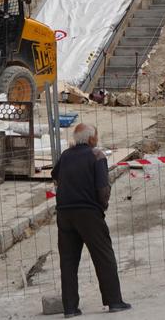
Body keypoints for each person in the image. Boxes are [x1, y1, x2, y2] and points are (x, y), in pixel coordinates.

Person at [52, 121, 129, 315]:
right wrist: (101, 208)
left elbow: (55, 175)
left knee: (68, 261)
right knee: (103, 256)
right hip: (88, 213)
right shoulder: (97, 156)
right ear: (92, 138)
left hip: (64, 213)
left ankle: (70, 308)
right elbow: (103, 188)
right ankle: (114, 301)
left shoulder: (65, 156)